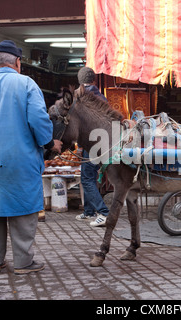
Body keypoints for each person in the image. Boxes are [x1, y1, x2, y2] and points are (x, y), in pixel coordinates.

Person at [0, 40, 62, 275]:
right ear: (17, 62)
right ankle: (23, 262)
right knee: (23, 209)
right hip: (20, 158)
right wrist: (49, 143)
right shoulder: (26, 84)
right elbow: (39, 120)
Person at [75, 66, 110, 227]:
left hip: (90, 142)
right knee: (90, 176)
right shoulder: (102, 97)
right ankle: (89, 211)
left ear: (80, 81)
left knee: (87, 178)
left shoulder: (79, 98)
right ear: (94, 80)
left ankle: (104, 213)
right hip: (103, 141)